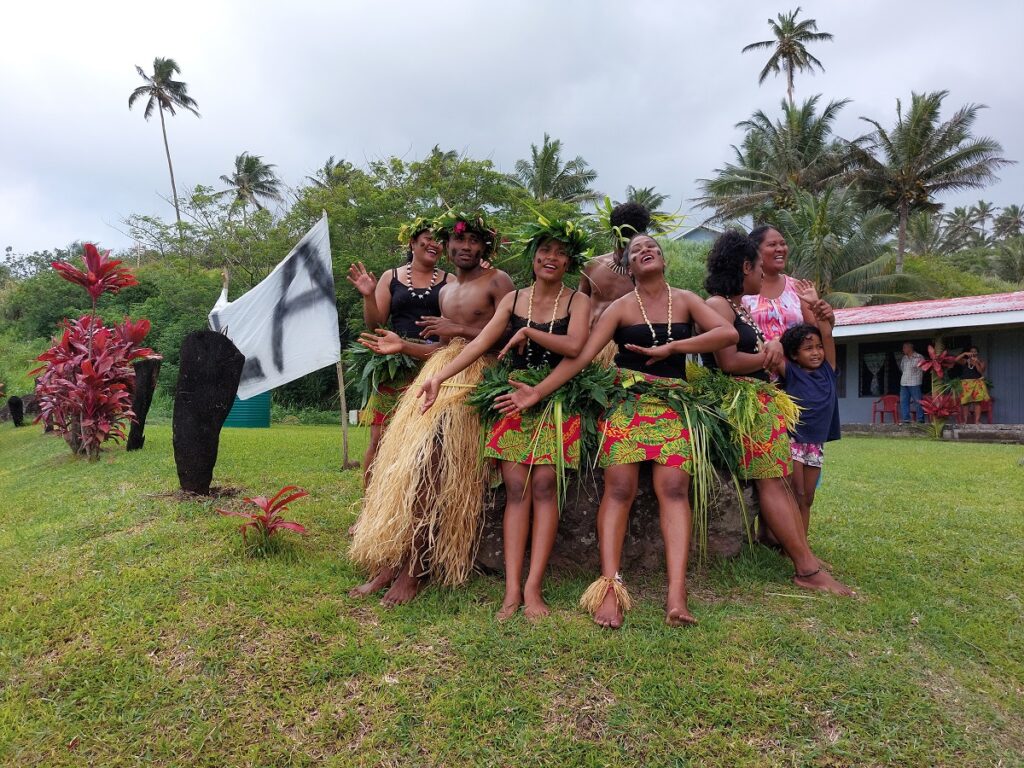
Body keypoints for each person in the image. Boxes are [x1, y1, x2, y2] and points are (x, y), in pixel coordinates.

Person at [492, 234, 739, 628]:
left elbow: (727, 334)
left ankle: (676, 593)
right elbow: (582, 356)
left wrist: (674, 349)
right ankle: (610, 588)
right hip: (626, 401)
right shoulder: (621, 309)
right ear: (627, 264)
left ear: (663, 258)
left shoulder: (687, 299)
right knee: (619, 486)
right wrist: (537, 392)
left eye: (652, 247)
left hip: (673, 403)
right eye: (637, 250)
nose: (645, 251)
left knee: (674, 486)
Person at [418, 217, 591, 620]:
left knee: (545, 485)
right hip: (511, 396)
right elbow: (480, 341)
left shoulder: (576, 301)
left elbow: (575, 344)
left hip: (555, 396)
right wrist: (440, 377)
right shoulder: (514, 301)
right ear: (534, 257)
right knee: (516, 488)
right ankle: (512, 590)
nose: (551, 258)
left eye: (560, 253)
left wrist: (530, 334)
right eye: (545, 251)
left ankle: (534, 588)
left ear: (569, 262)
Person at [349, 211, 515, 605]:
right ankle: (392, 560)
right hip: (438, 374)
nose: (464, 247)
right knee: (403, 465)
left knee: (431, 468)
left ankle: (414, 568)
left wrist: (459, 330)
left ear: (484, 247)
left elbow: (512, 335)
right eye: (459, 241)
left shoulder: (499, 282)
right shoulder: (446, 289)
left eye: (474, 242)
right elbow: (440, 347)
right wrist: (403, 346)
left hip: (475, 380)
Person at [702, 230, 853, 596]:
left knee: (784, 481)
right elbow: (728, 361)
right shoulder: (719, 305)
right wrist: (771, 356)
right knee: (775, 479)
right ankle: (806, 568)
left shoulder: (737, 305)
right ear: (745, 267)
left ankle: (795, 552)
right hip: (743, 401)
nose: (760, 275)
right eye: (756, 266)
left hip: (763, 397)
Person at [346, 218, 454, 485]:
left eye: (438, 240)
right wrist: (368, 296)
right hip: (393, 363)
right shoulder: (391, 277)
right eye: (427, 238)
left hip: (433, 363)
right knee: (379, 436)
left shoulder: (451, 281)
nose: (433, 244)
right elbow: (376, 324)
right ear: (412, 242)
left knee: (426, 439)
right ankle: (370, 509)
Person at [777, 286, 841, 536]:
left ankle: (803, 545)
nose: (816, 352)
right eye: (808, 349)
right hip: (793, 440)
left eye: (817, 347)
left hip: (815, 443)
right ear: (794, 355)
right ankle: (789, 545)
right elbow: (769, 350)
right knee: (796, 493)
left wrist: (815, 304)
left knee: (809, 497)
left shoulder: (829, 369)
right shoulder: (791, 372)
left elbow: (826, 332)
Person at [580, 202, 652, 328]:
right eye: (623, 243)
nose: (626, 250)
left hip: (629, 342)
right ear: (614, 234)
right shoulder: (591, 265)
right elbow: (579, 307)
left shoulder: (647, 273)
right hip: (591, 339)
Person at [956, 346, 989, 424]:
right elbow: (956, 360)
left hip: (977, 383)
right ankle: (965, 421)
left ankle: (977, 421)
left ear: (977, 353)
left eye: (974, 351)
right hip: (966, 384)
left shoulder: (981, 361)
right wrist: (964, 353)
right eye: (971, 351)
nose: (973, 353)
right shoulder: (965, 361)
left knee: (977, 402)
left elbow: (981, 372)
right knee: (965, 403)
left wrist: (976, 363)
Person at [897, 343, 926, 424]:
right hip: (904, 383)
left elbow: (924, 369)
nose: (903, 349)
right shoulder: (904, 358)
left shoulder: (919, 357)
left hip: (915, 383)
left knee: (918, 401)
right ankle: (906, 420)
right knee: (904, 401)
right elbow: (902, 368)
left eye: (904, 348)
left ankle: (920, 419)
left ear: (910, 348)